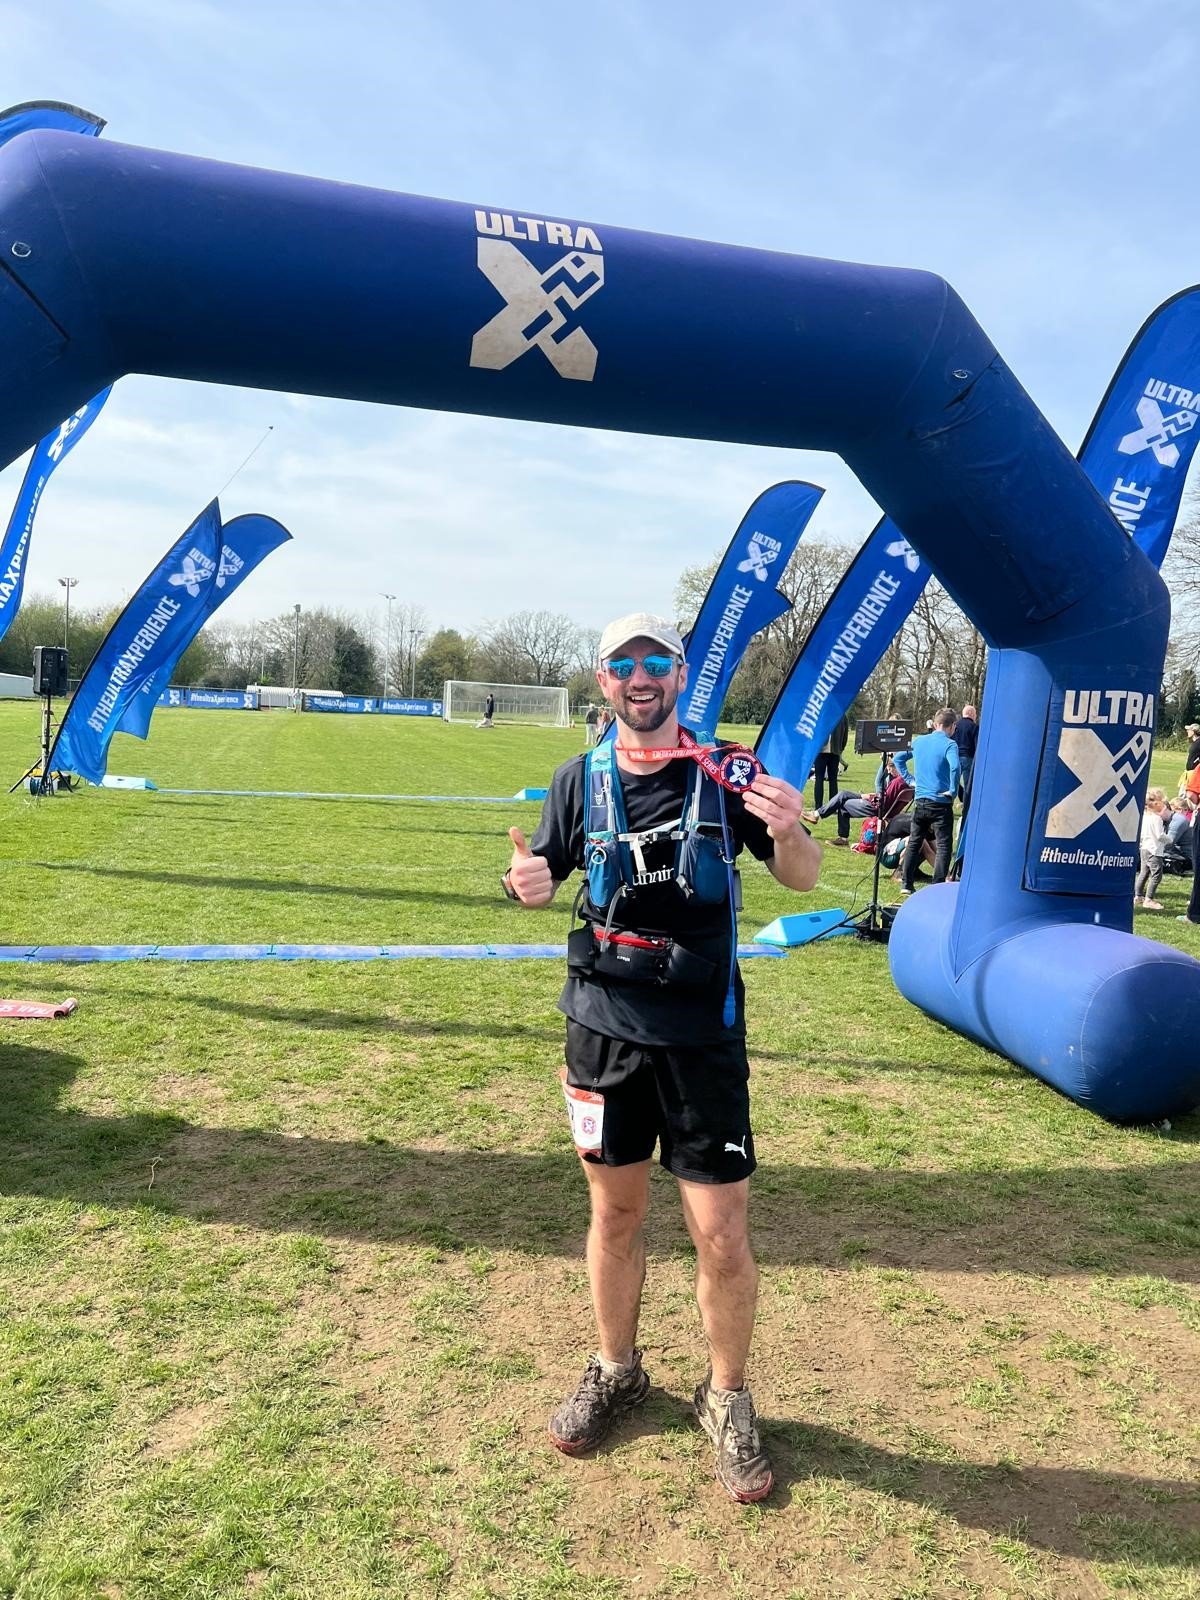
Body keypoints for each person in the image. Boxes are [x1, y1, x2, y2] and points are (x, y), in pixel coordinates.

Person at [502, 611, 820, 1503]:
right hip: (602, 1032)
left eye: (655, 663)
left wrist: (792, 829)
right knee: (616, 1216)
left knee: (720, 1234)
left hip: (702, 1038)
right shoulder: (580, 778)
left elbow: (801, 877)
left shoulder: (730, 772)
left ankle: (725, 1398)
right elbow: (541, 875)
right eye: (621, 665)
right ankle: (616, 1370)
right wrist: (523, 884)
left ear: (679, 676)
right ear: (603, 682)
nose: (638, 678)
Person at [895, 708, 960, 892]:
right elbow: (955, 767)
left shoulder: (919, 741)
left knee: (915, 841)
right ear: (952, 726)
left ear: (935, 723)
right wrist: (953, 790)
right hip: (941, 802)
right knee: (943, 845)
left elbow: (899, 759)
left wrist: (910, 780)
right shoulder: (950, 745)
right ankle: (937, 886)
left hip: (921, 801)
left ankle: (906, 883)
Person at [801, 756, 913, 845]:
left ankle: (835, 831)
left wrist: (867, 797)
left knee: (842, 801)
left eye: (890, 768)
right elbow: (887, 799)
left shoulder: (897, 782)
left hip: (875, 807)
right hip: (885, 809)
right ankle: (818, 816)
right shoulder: (907, 781)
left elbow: (883, 801)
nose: (889, 772)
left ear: (896, 766)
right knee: (843, 795)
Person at [1134, 788, 1171, 910]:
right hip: (1154, 850)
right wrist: (1169, 839)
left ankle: (1138, 896)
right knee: (1156, 875)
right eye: (1163, 803)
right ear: (1156, 804)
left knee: (1144, 872)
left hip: (1144, 847)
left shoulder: (1144, 816)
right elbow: (1159, 835)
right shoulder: (1156, 819)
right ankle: (1149, 899)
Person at [810, 715, 849, 809]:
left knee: (819, 779)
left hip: (821, 751)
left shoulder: (821, 713)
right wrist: (840, 748)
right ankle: (833, 806)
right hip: (835, 751)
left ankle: (818, 806)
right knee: (833, 780)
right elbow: (845, 735)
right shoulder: (842, 715)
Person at [954, 703, 979, 798]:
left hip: (955, 756)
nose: (976, 716)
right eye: (975, 713)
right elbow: (977, 744)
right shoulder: (974, 727)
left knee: (953, 782)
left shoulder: (955, 725)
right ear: (971, 714)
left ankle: (948, 806)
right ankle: (965, 809)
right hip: (968, 757)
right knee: (968, 785)